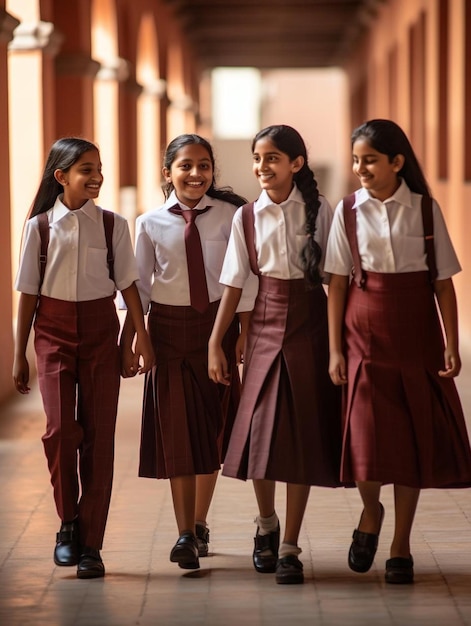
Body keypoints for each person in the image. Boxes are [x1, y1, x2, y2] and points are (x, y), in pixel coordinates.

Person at [325, 118, 471, 585]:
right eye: (356, 160)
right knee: (366, 442)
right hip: (362, 336)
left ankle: (401, 546)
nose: (360, 168)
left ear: (396, 162)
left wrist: (451, 340)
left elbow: (443, 284)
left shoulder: (426, 211)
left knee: (410, 443)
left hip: (417, 336)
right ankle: (371, 511)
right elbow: (336, 286)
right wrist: (334, 351)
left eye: (369, 159)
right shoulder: (347, 211)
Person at [12, 137, 154, 579]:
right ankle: (67, 523)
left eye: (99, 169)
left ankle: (91, 543)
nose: (96, 177)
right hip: (51, 336)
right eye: (85, 170)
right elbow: (27, 297)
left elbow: (129, 285)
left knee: (99, 437)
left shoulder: (113, 226)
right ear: (62, 177)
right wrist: (20, 354)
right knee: (59, 432)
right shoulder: (38, 228)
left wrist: (140, 339)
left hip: (99, 334)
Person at [208, 124, 342, 585]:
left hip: (311, 322)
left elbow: (336, 277)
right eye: (257, 158)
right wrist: (216, 341)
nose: (262, 167)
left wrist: (343, 341)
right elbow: (233, 282)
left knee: (301, 432)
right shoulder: (246, 216)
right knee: (261, 431)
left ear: (296, 164)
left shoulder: (321, 210)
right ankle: (266, 524)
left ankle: (290, 547)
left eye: (272, 158)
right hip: (264, 321)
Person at [120, 134, 257, 571]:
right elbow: (137, 288)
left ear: (212, 171)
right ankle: (183, 534)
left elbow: (246, 278)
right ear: (168, 173)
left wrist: (243, 333)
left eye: (204, 166)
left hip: (217, 327)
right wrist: (135, 338)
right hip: (167, 332)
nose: (196, 174)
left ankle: (199, 523)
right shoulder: (149, 223)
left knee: (209, 430)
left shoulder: (233, 217)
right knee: (178, 431)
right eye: (185, 166)